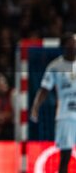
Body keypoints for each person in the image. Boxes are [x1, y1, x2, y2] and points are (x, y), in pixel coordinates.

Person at [31, 32, 76, 173]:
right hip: (66, 117)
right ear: (65, 45)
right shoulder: (54, 66)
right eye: (71, 42)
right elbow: (44, 90)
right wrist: (35, 108)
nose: (74, 44)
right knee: (65, 157)